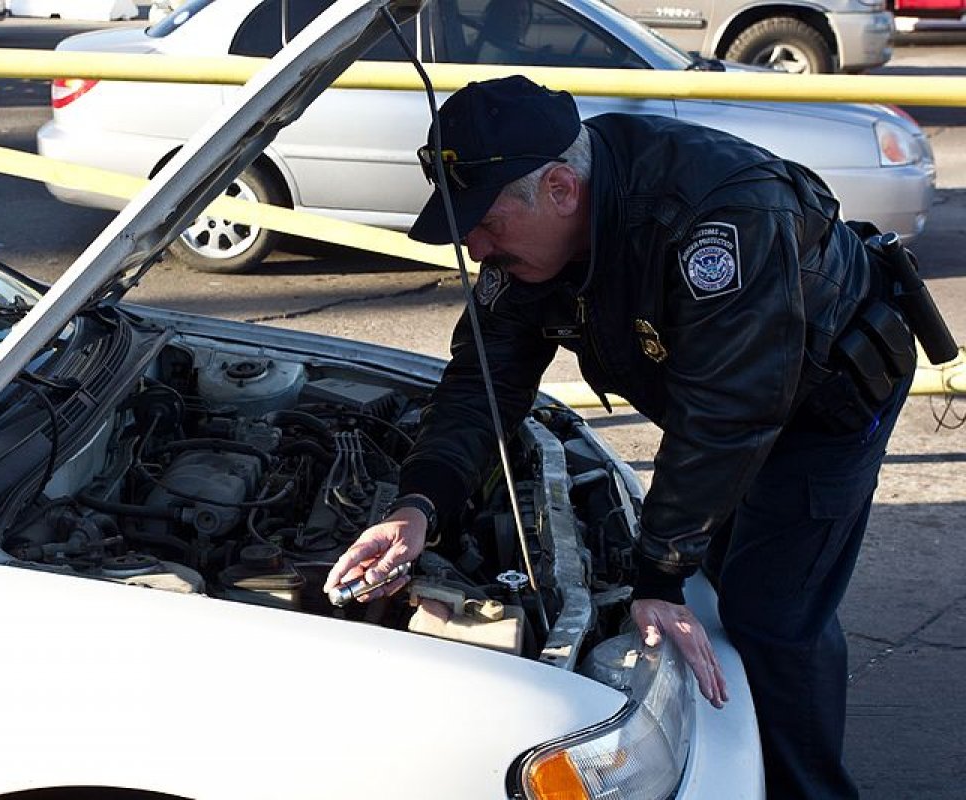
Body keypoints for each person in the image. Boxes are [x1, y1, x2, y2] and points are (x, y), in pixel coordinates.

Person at [324, 76, 919, 799]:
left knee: (772, 617)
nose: (473, 244)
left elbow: (728, 411)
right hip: (722, 403)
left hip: (823, 405)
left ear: (561, 188)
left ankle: (810, 790)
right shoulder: (532, 243)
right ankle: (750, 723)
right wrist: (418, 505)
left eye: (483, 220)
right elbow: (483, 383)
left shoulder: (722, 216)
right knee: (722, 579)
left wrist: (660, 573)